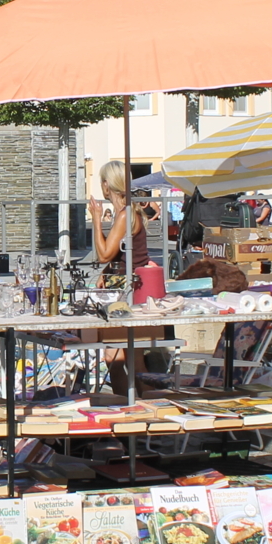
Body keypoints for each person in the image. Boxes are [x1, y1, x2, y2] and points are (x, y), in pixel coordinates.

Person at [89, 160, 159, 394]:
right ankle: (131, 407)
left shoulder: (124, 215)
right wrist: (106, 271)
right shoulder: (129, 212)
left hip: (128, 292)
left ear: (107, 185)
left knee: (124, 357)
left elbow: (104, 253)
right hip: (128, 288)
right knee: (122, 357)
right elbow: (120, 254)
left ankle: (137, 407)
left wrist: (96, 219)